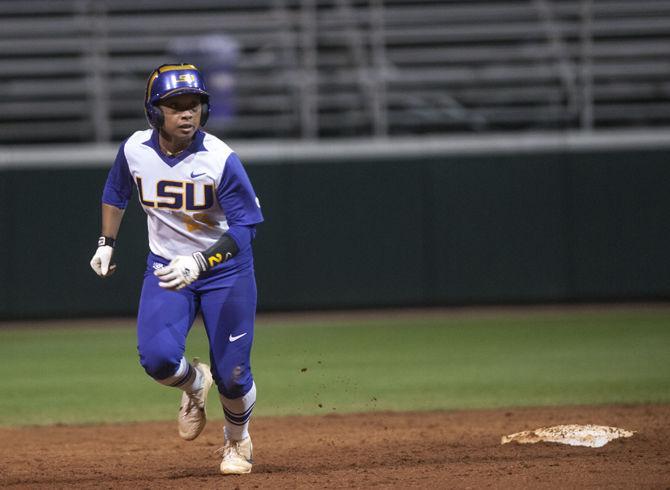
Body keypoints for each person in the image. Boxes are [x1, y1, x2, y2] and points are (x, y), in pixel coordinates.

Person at [89, 63, 263, 475]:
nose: (187, 113)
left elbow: (247, 227)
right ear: (155, 113)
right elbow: (116, 191)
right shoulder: (135, 149)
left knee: (234, 376)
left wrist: (201, 261)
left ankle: (237, 442)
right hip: (167, 268)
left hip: (225, 272)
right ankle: (194, 384)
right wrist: (105, 242)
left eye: (195, 105)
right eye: (176, 106)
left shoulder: (220, 158)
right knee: (158, 360)